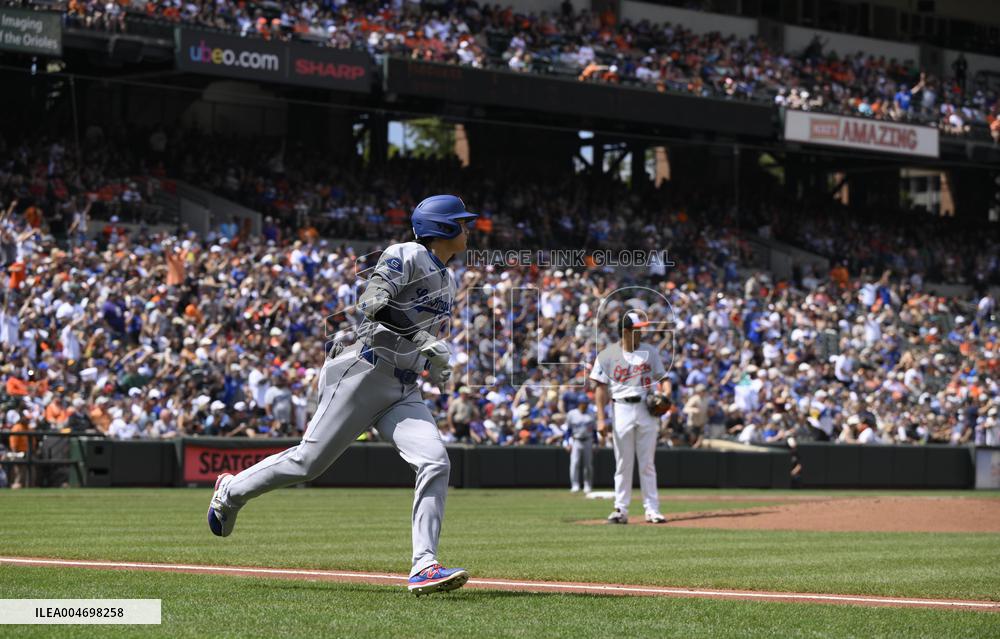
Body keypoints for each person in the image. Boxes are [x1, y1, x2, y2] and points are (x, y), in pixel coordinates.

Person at [206, 195, 476, 596]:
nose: (468, 229)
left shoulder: (447, 277)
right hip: (362, 374)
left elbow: (410, 331)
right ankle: (230, 491)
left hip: (403, 388)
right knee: (307, 464)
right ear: (445, 228)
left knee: (435, 462)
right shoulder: (408, 253)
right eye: (462, 222)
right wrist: (422, 339)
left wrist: (429, 358)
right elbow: (370, 303)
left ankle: (424, 566)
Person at [590, 311, 669, 525]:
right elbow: (600, 388)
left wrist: (665, 395)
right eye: (637, 330)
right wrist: (600, 418)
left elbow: (664, 378)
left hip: (646, 408)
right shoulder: (607, 355)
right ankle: (621, 510)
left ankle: (652, 510)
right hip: (621, 409)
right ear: (625, 332)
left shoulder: (650, 352)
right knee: (623, 463)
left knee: (647, 463)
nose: (641, 333)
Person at [564, 394, 595, 493]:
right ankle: (575, 485)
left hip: (588, 440)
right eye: (583, 403)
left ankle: (587, 485)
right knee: (574, 463)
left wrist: (596, 443)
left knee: (588, 465)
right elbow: (568, 430)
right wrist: (567, 442)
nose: (584, 405)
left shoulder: (591, 413)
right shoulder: (572, 414)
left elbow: (594, 431)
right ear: (578, 403)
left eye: (586, 403)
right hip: (576, 440)